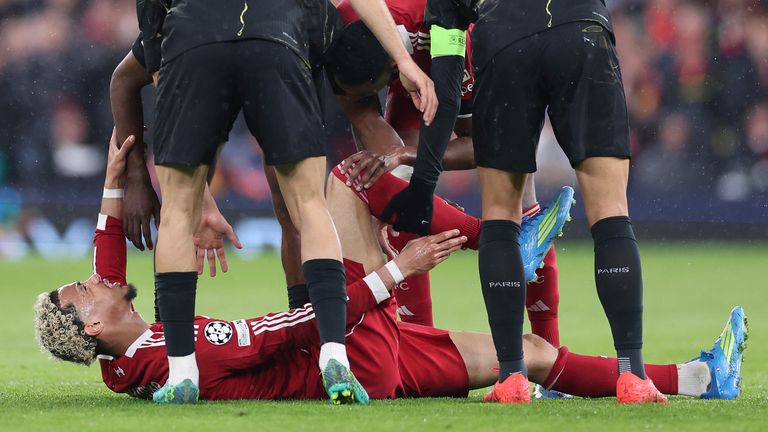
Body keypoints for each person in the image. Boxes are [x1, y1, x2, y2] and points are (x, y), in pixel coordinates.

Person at [34, 137, 747, 402]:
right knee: (346, 175)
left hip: (365, 348)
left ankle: (699, 379)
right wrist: (392, 275)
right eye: (86, 289)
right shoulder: (171, 356)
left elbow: (107, 267)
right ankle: (501, 242)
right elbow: (294, 325)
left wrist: (110, 184)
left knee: (525, 355)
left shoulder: (120, 360)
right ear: (92, 320)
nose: (99, 278)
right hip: (351, 355)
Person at [126, 0, 440, 404]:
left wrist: (170, 77)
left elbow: (153, 26)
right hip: (278, 35)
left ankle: (182, 370)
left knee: (176, 214)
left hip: (193, 42)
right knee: (309, 205)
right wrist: (403, 60)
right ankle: (333, 353)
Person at [381, 0, 662, 404]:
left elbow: (446, 90)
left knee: (500, 218)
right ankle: (633, 376)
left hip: (503, 40)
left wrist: (423, 184)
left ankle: (512, 376)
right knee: (611, 214)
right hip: (581, 29)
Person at [319, 0, 568, 362]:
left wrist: (408, 154)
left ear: (391, 73)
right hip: (400, 56)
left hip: (461, 41)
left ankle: (550, 352)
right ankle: (420, 348)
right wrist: (389, 182)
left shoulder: (443, 31)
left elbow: (487, 146)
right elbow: (371, 130)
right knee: (395, 186)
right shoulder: (338, 37)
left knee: (515, 192)